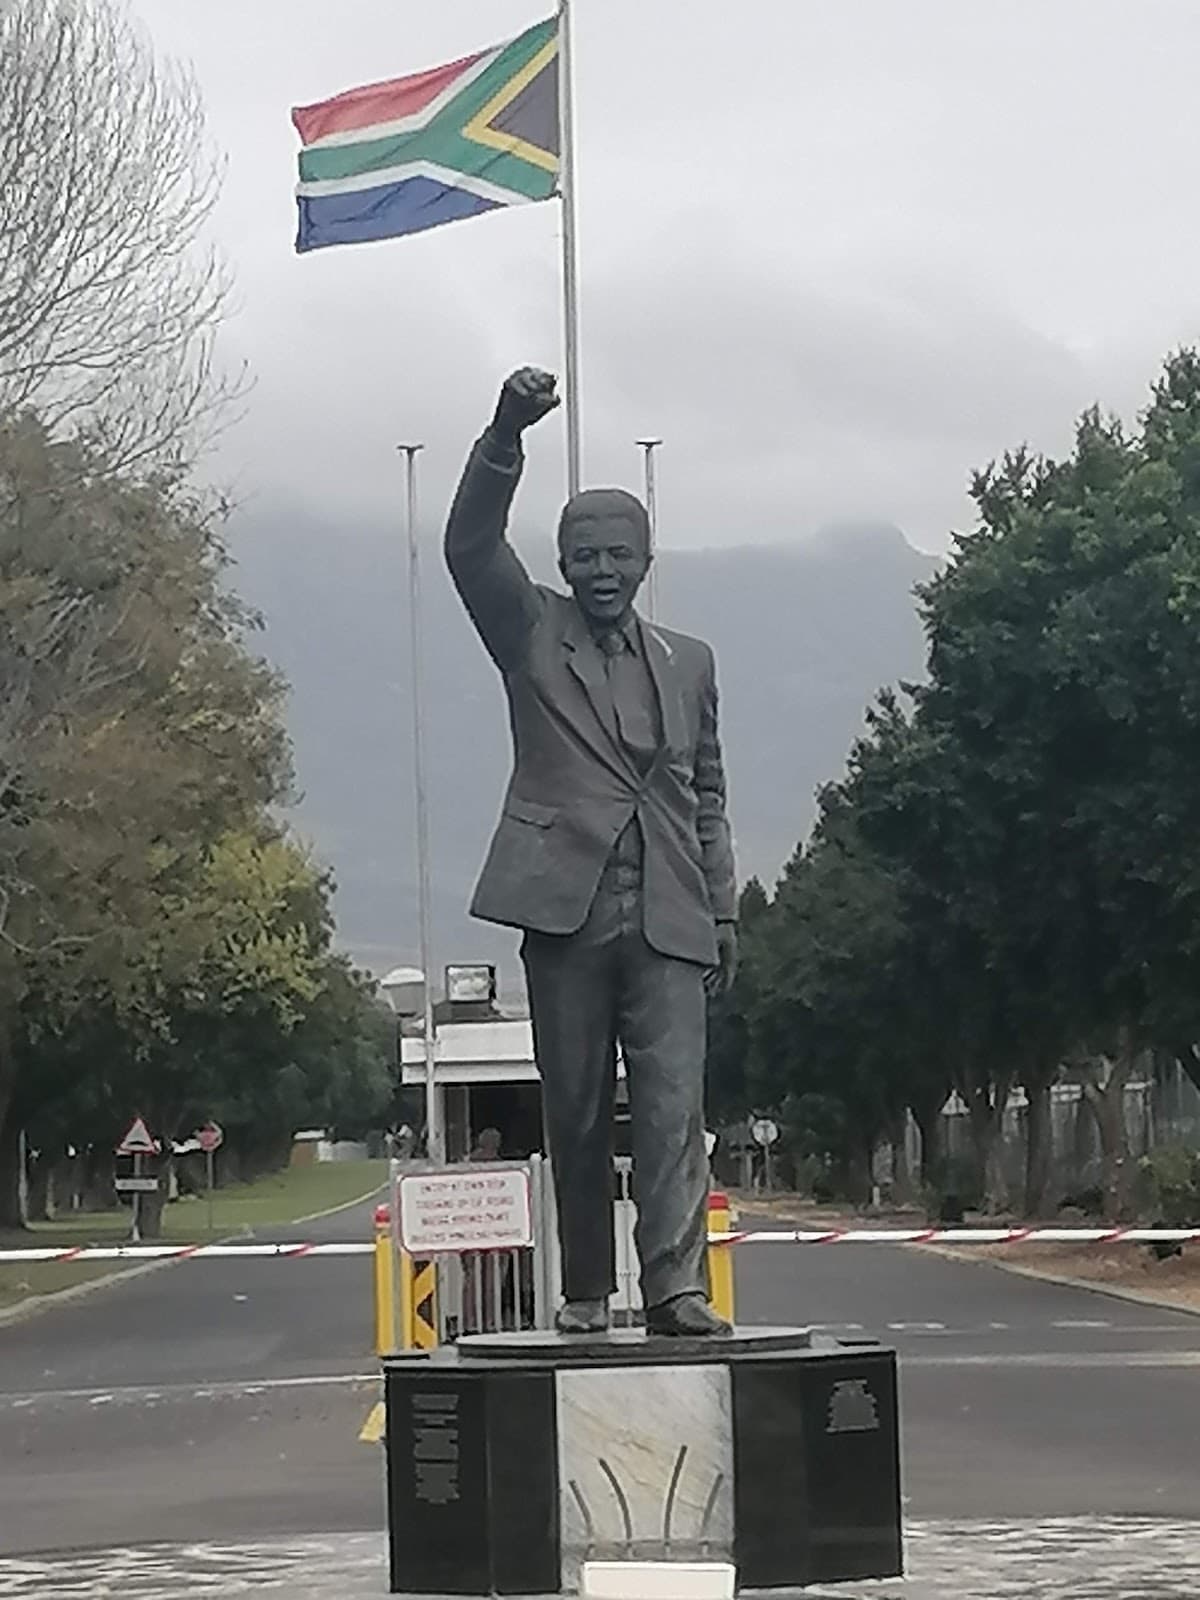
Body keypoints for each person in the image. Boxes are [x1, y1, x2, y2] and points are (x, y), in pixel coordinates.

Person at [445, 368, 738, 1338]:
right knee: (573, 1109)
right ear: (563, 564)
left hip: (670, 914)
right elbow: (469, 547)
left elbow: (706, 792)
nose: (601, 569)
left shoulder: (689, 661)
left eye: (618, 553)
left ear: (647, 560)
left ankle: (675, 1287)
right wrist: (504, 435)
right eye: (584, 555)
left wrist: (723, 908)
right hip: (565, 908)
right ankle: (584, 1290)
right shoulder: (530, 632)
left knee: (672, 1110)